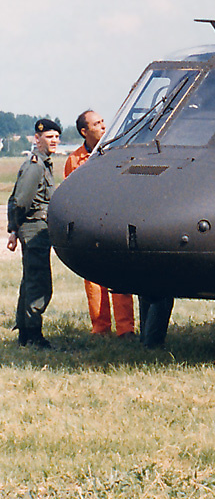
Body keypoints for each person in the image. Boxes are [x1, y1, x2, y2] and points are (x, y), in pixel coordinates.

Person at [64, 109, 136, 339]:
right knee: (94, 281)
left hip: (114, 224)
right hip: (89, 227)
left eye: (103, 121)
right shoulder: (74, 160)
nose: (103, 126)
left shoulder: (117, 152)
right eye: (97, 124)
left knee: (121, 277)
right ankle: (100, 327)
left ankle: (126, 329)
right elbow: (71, 194)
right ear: (84, 131)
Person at [6, 118, 61, 349]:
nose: (54, 141)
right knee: (39, 283)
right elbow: (19, 201)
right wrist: (14, 229)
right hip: (34, 229)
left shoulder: (44, 164)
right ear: (37, 139)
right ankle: (33, 336)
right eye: (49, 137)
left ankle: (25, 334)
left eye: (57, 137)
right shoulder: (36, 166)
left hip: (36, 229)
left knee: (30, 281)